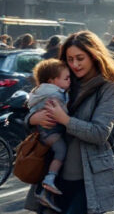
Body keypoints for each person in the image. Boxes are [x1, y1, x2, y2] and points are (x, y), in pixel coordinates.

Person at [25, 31, 114, 214]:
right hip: (54, 177)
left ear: (94, 55)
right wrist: (31, 119)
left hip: (90, 180)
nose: (75, 65)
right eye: (69, 59)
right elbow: (34, 110)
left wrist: (65, 120)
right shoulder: (64, 82)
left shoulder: (109, 87)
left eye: (80, 58)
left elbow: (100, 133)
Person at [27, 59, 72, 210]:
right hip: (52, 132)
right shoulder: (55, 95)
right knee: (61, 151)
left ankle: (45, 189)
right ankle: (50, 179)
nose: (69, 81)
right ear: (52, 80)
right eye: (66, 79)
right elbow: (63, 114)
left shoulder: (38, 92)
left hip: (43, 133)